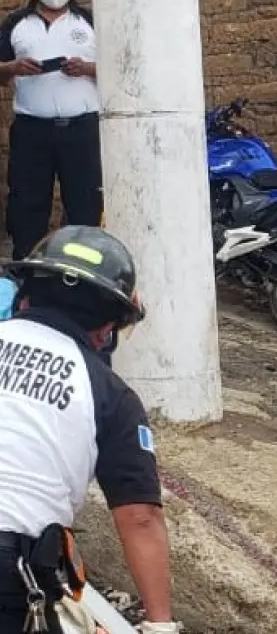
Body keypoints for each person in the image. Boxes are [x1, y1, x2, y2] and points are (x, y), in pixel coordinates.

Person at [0, 226, 178, 633]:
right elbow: (140, 517)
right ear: (106, 330)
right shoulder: (110, 394)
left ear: (25, 298)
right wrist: (160, 625)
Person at [0, 0, 103, 261]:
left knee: (86, 204)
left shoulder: (92, 22)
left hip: (83, 130)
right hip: (32, 131)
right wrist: (14, 67)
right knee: (26, 206)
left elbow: (125, 70)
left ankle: (84, 274)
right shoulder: (15, 25)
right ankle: (24, 272)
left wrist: (88, 68)